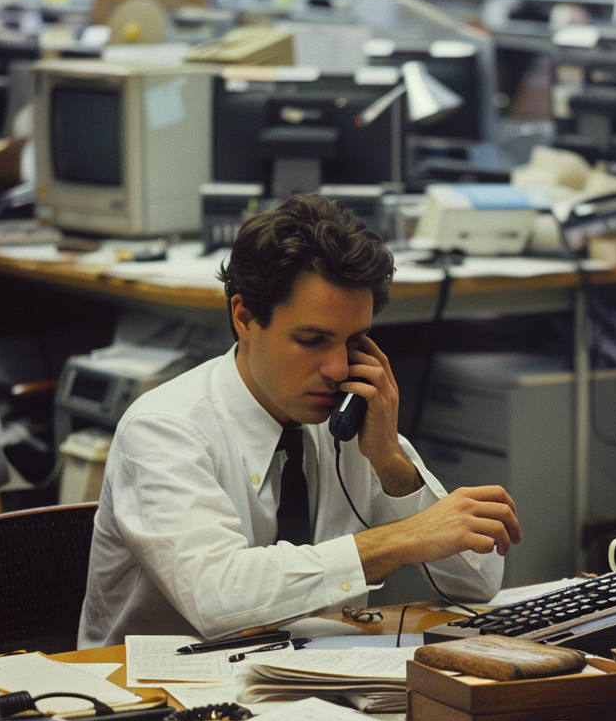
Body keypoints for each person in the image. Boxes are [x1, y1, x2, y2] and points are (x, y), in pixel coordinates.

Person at [79, 194, 522, 647]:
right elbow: (218, 599)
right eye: (312, 340)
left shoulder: (352, 421)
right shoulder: (164, 428)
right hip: (153, 694)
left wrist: (393, 466)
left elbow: (476, 584)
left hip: (309, 684)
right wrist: (401, 538)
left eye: (355, 341)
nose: (337, 368)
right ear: (244, 317)